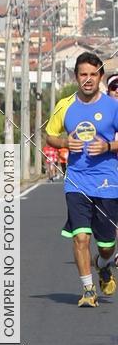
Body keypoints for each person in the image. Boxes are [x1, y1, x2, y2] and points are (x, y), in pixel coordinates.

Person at [46, 52, 118, 306]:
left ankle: (103, 262)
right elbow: (50, 135)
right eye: (82, 74)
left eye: (92, 74)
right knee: (81, 237)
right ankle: (88, 290)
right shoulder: (65, 105)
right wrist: (64, 141)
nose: (87, 79)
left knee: (107, 243)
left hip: (108, 183)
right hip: (76, 180)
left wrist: (109, 147)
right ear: (76, 77)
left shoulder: (113, 106)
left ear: (99, 76)